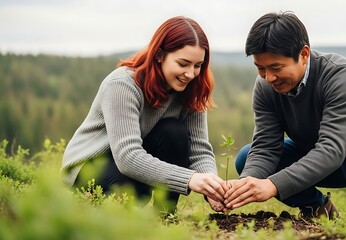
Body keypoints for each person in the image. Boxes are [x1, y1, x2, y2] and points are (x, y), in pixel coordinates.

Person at [223, 11, 346, 220]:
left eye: (276, 67)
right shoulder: (265, 86)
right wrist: (244, 185)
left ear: (304, 54)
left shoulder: (341, 75)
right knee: (246, 158)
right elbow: (266, 146)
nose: (269, 77)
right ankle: (319, 209)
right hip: (317, 157)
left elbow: (332, 149)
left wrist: (273, 185)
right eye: (260, 68)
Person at [61, 16, 228, 213]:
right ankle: (90, 208)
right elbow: (127, 156)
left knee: (174, 132)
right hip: (91, 167)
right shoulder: (123, 85)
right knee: (132, 189)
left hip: (131, 164)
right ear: (159, 55)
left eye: (197, 65)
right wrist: (190, 179)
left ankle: (164, 214)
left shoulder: (191, 88)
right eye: (183, 64)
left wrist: (212, 186)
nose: (190, 74)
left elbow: (198, 148)